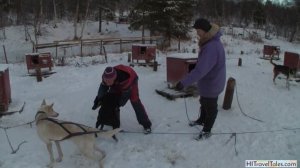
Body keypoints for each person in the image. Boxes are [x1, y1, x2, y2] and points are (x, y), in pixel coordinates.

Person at [175, 18, 226, 140]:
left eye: (198, 30)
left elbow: (200, 70)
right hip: (208, 82)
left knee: (210, 108)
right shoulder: (210, 42)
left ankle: (206, 131)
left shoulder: (211, 47)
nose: (197, 33)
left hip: (212, 83)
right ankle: (201, 120)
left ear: (205, 30)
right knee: (203, 102)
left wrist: (183, 82)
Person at [92, 64, 152, 134]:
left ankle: (146, 124)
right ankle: (111, 120)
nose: (107, 83)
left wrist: (118, 104)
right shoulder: (105, 77)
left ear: (113, 78)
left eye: (109, 81)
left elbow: (124, 97)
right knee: (111, 99)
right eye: (106, 81)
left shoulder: (125, 78)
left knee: (135, 101)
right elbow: (103, 88)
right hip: (117, 82)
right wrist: (98, 99)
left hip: (131, 80)